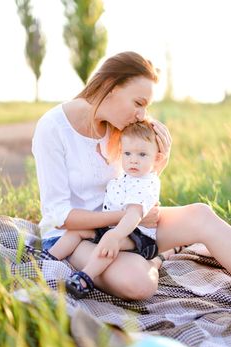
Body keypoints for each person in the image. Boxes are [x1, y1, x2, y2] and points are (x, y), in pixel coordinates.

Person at [32, 51, 231, 301]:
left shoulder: (120, 130)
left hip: (126, 226)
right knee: (139, 282)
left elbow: (135, 187)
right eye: (138, 103)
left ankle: (151, 252)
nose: (141, 115)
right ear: (109, 86)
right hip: (73, 236)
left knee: (202, 215)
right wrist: (127, 216)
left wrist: (160, 162)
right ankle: (157, 258)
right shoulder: (53, 128)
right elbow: (59, 216)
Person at [47, 120, 172, 298]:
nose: (133, 160)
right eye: (127, 153)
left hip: (139, 237)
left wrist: (115, 235)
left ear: (157, 158)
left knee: (108, 242)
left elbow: (133, 215)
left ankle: (85, 277)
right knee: (78, 230)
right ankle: (48, 258)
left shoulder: (145, 184)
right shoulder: (128, 177)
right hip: (117, 228)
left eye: (142, 154)